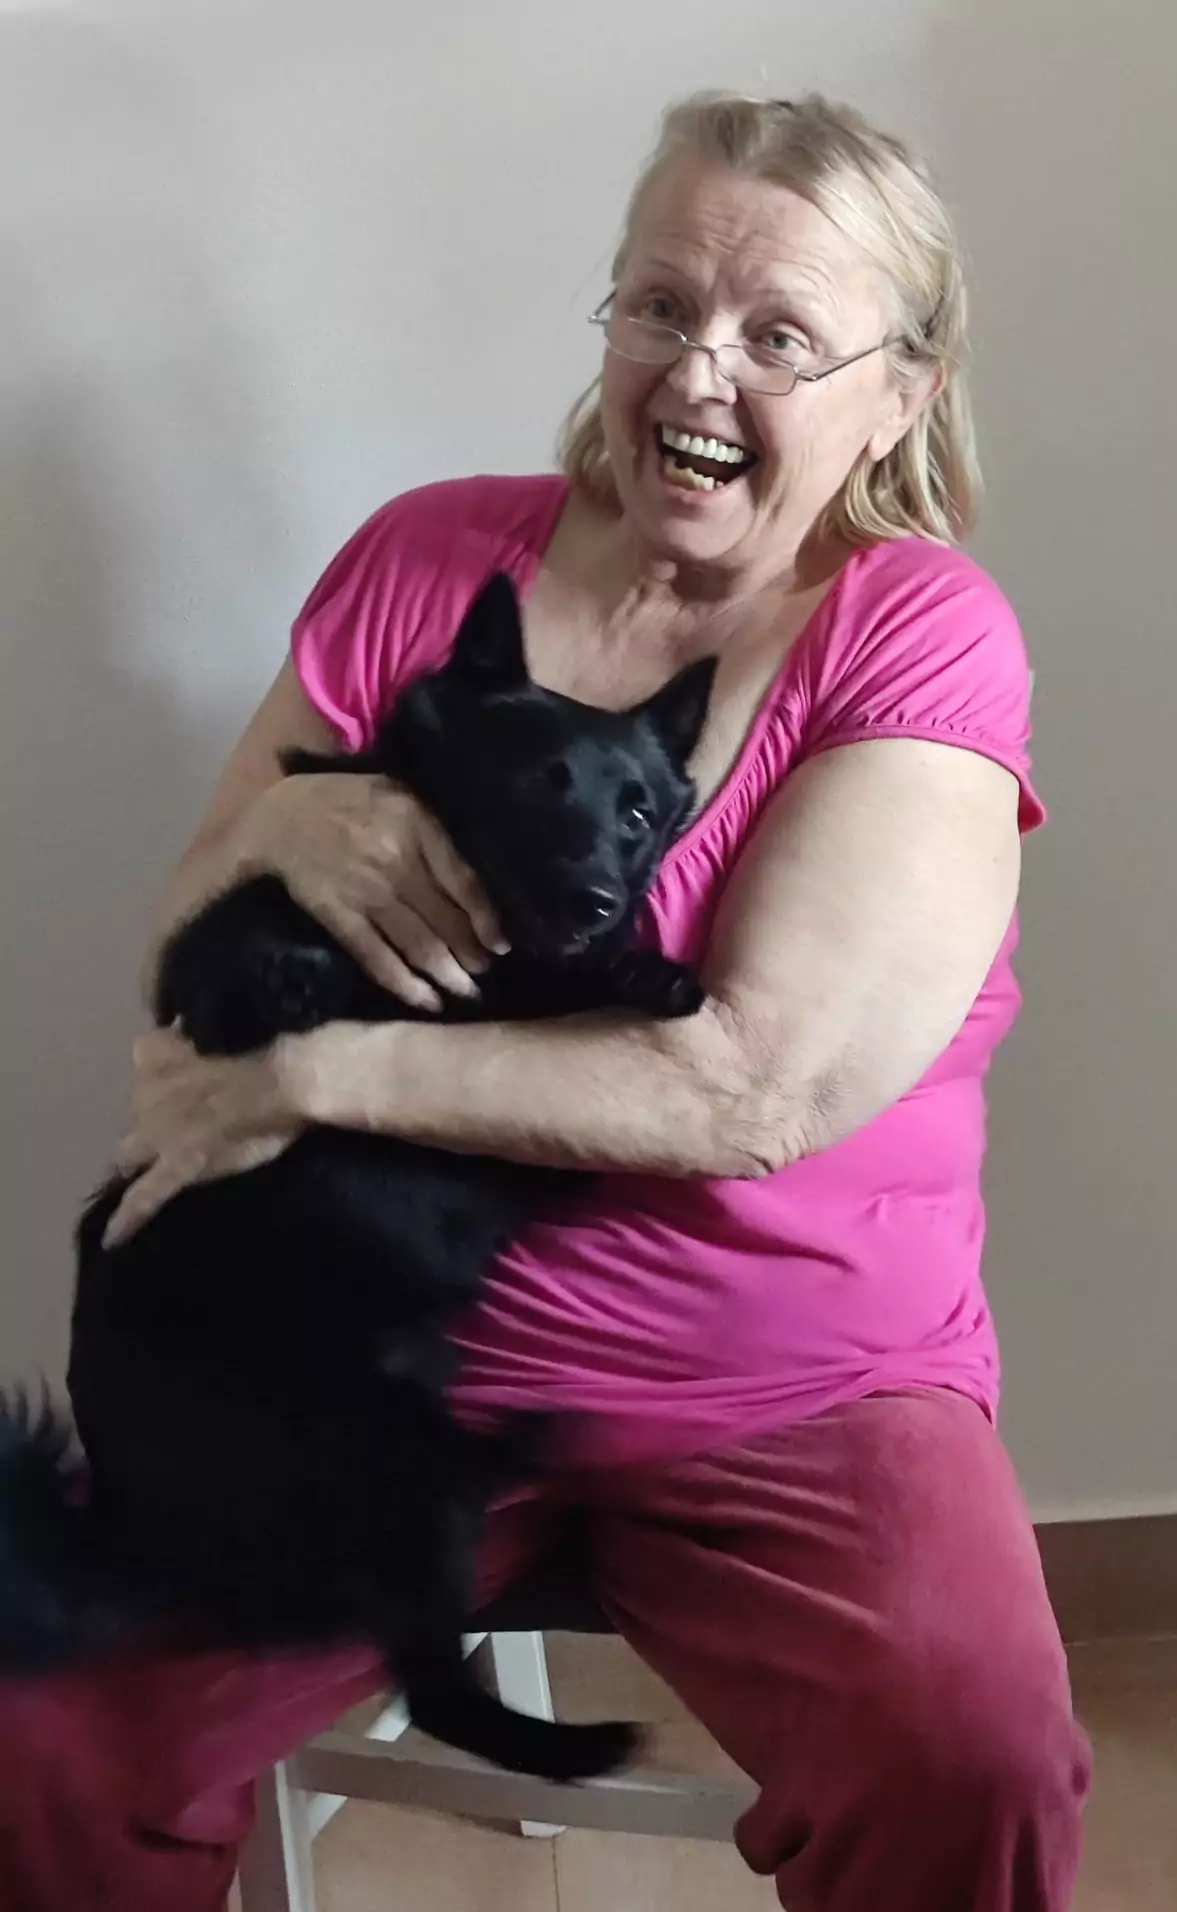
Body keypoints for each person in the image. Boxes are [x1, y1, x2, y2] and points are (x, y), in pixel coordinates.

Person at [0, 91, 1090, 1912]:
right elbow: (186, 927)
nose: (699, 370)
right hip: (356, 1369)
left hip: (796, 1382)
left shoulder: (916, 631)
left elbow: (754, 1088)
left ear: (900, 392)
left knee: (969, 1751)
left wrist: (319, 1078)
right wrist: (282, 822)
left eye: (779, 335)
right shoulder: (425, 562)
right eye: (661, 304)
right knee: (38, 1739)